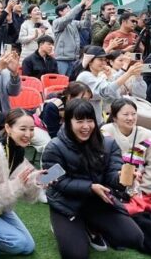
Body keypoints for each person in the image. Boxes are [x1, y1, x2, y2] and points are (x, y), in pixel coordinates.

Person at [43, 99, 144, 258]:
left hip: (98, 201)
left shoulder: (109, 144)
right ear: (68, 121)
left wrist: (122, 177)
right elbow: (55, 182)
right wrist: (90, 187)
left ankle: (90, 225)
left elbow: (112, 174)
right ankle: (60, 224)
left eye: (90, 120)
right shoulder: (54, 147)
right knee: (76, 255)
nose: (86, 126)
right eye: (79, 121)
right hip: (66, 204)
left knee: (134, 238)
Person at [0, 108, 42, 255]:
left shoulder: (18, 150)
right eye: (23, 129)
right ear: (8, 128)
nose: (28, 134)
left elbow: (24, 186)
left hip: (1, 207)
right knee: (19, 244)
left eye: (31, 129)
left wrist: (36, 182)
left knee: (28, 246)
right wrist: (18, 184)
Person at [100, 99, 151, 214]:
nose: (130, 118)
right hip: (111, 183)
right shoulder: (104, 132)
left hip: (142, 185)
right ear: (114, 117)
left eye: (133, 114)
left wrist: (141, 190)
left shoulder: (148, 136)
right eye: (125, 114)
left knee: (134, 209)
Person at [74, 46, 144, 123]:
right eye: (100, 59)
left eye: (105, 60)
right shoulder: (85, 75)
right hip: (85, 121)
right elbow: (107, 90)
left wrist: (113, 76)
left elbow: (114, 92)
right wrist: (128, 73)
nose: (104, 63)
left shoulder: (98, 76)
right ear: (90, 61)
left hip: (97, 120)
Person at [52, 0, 94, 74]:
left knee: (72, 82)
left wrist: (88, 10)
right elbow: (68, 17)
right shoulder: (57, 22)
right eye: (67, 8)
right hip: (62, 59)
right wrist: (81, 4)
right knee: (62, 82)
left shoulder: (74, 23)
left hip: (74, 59)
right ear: (60, 12)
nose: (70, 10)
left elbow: (86, 24)